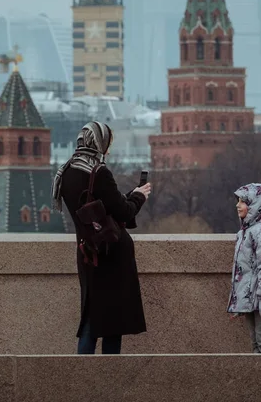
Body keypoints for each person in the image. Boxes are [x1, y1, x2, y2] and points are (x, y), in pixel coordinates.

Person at [52, 121, 151, 355]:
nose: (108, 149)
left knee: (91, 317)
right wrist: (138, 197)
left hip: (87, 253)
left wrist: (129, 197)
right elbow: (124, 212)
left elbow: (99, 209)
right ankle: (108, 378)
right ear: (100, 142)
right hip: (111, 256)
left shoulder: (66, 172)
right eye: (108, 143)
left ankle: (82, 377)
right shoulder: (99, 172)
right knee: (111, 324)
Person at [227, 183, 261, 354]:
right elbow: (242, 270)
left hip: (259, 297)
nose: (238, 205)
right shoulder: (244, 232)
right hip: (250, 298)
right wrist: (238, 302)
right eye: (238, 201)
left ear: (256, 205)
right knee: (255, 341)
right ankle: (260, 378)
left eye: (243, 201)